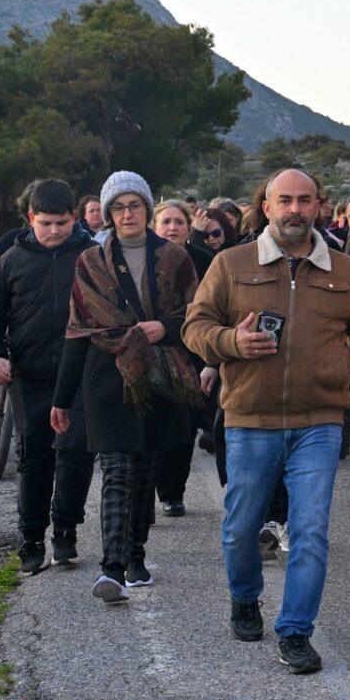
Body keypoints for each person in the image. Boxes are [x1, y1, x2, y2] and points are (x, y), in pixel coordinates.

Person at [184, 168, 350, 674]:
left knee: (309, 531)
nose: (294, 209)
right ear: (266, 207)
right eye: (284, 200)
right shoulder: (231, 264)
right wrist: (231, 342)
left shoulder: (345, 272)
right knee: (240, 529)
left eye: (304, 200)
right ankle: (245, 597)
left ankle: (295, 630)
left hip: (320, 423)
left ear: (319, 207)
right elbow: (195, 327)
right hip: (249, 420)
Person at [52, 172, 202, 605]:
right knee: (117, 474)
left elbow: (197, 315)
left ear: (148, 209)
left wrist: (165, 327)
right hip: (107, 378)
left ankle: (136, 554)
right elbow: (78, 330)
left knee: (145, 474)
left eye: (135, 205)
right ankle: (112, 569)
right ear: (107, 214)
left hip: (160, 376)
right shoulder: (90, 262)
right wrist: (62, 400)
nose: (127, 214)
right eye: (118, 207)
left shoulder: (175, 257)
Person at [0, 179, 98, 575]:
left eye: (61, 222)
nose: (54, 231)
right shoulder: (11, 260)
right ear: (31, 219)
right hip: (31, 376)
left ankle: (65, 530)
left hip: (81, 376)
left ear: (74, 217)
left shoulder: (93, 258)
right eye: (46, 223)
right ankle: (31, 539)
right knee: (34, 456)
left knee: (77, 453)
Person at [151, 199, 213, 517]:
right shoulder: (140, 259)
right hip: (150, 352)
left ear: (189, 228)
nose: (172, 228)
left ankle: (172, 493)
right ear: (154, 226)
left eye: (179, 222)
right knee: (149, 427)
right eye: (166, 222)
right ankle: (143, 495)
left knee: (183, 428)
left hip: (191, 354)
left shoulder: (204, 260)